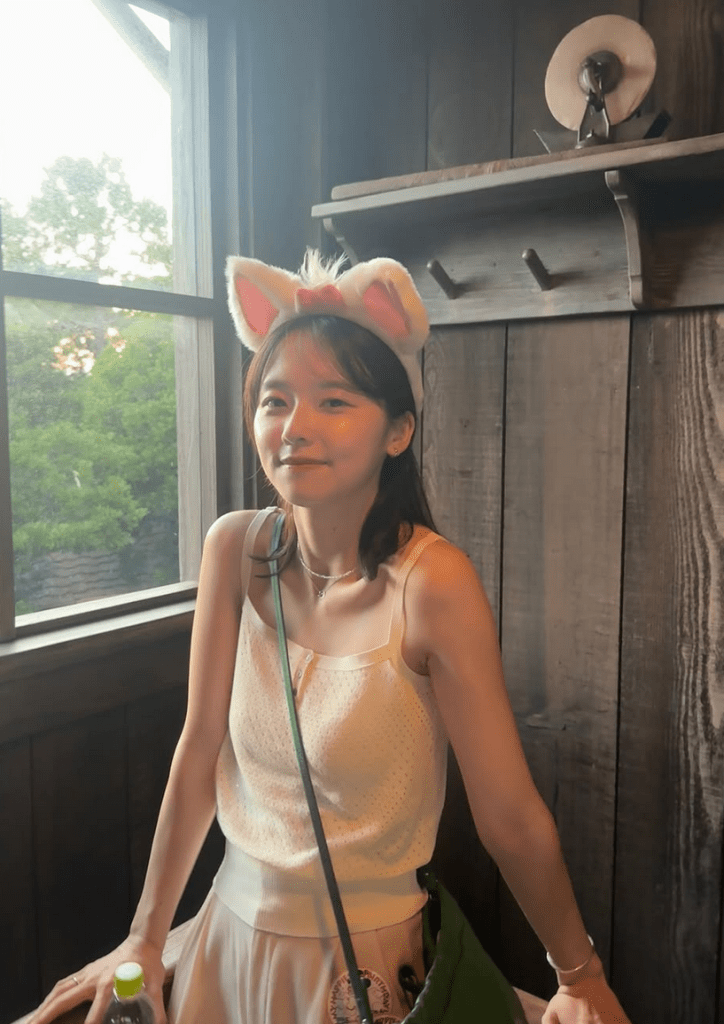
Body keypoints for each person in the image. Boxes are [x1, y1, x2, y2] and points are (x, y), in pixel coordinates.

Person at [28, 250, 631, 1024]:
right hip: (226, 935)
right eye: (274, 401)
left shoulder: (432, 584)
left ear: (398, 430)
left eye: (334, 401)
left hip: (365, 964)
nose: (294, 428)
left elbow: (507, 813)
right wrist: (145, 939)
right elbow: (200, 749)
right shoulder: (233, 547)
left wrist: (579, 975)